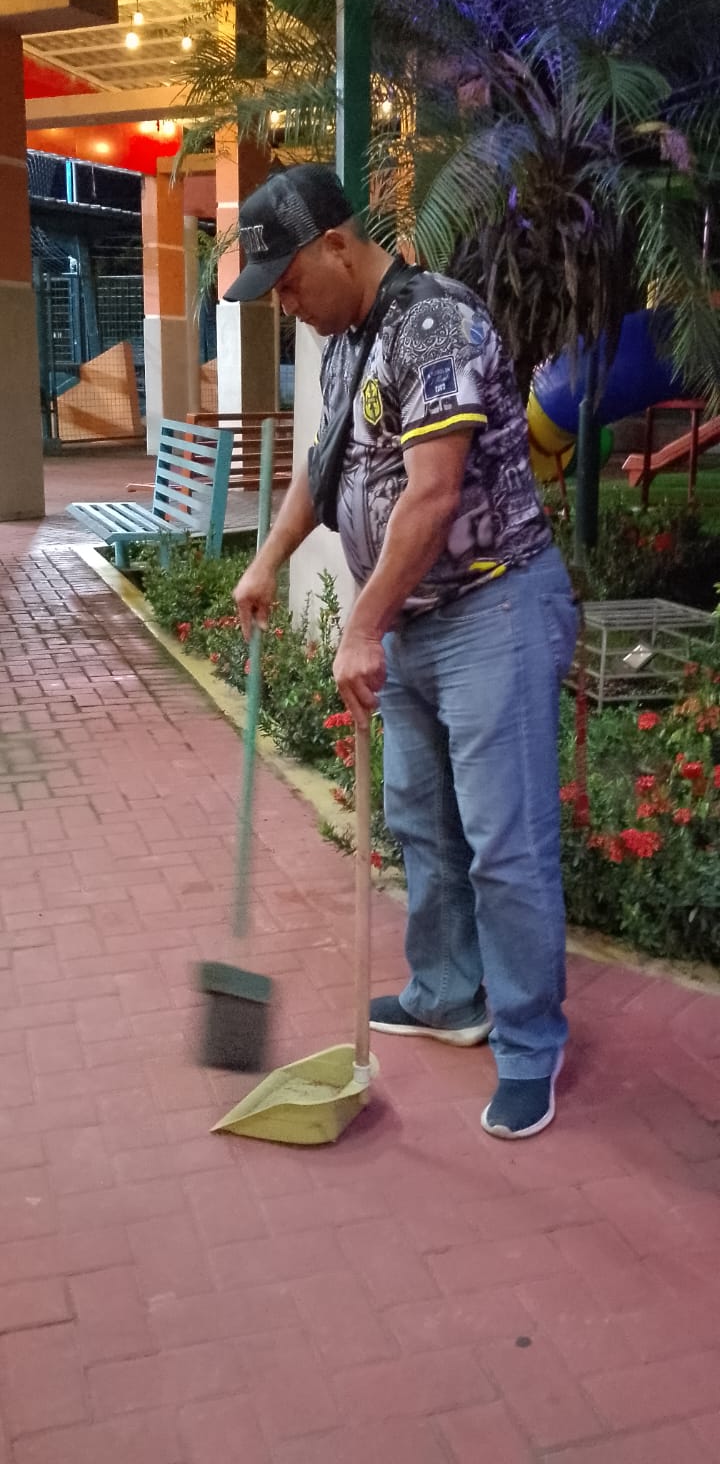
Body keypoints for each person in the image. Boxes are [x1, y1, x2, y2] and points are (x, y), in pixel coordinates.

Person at [230, 162, 579, 1139]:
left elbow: (432, 495)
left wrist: (360, 625)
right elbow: (324, 469)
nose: (286, 306)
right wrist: (267, 560)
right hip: (417, 620)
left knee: (506, 846)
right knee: (424, 823)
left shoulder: (434, 323)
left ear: (336, 245)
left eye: (288, 283)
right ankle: (447, 993)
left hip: (492, 606)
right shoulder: (347, 342)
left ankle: (530, 1045)